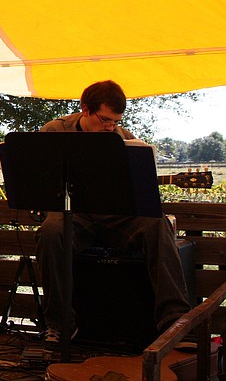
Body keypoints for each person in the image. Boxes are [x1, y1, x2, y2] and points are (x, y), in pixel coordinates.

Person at [35, 80, 191, 344]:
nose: (110, 127)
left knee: (158, 224)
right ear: (85, 109)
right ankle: (60, 324)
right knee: (50, 232)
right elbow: (38, 176)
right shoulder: (55, 130)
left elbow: (138, 187)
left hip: (116, 217)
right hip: (74, 215)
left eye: (115, 122)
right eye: (105, 120)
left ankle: (174, 322)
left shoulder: (123, 138)